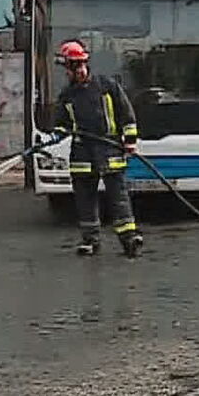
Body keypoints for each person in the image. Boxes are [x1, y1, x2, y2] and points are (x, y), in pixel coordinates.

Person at [52, 40, 144, 258]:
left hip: (109, 148)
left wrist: (130, 140)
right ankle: (90, 240)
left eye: (72, 67)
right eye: (70, 69)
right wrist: (57, 134)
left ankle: (129, 238)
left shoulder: (107, 86)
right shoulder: (67, 95)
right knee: (85, 199)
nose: (71, 73)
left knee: (118, 196)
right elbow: (61, 123)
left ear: (81, 65)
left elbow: (126, 113)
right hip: (82, 153)